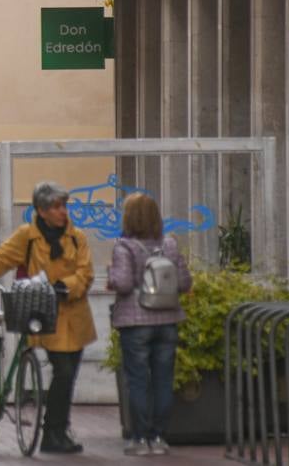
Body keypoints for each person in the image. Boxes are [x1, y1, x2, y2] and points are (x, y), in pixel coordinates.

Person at [0, 181, 96, 455]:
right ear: (41, 211)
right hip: (42, 315)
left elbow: (86, 272)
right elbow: (1, 257)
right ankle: (52, 433)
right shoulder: (27, 237)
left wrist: (66, 285)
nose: (62, 212)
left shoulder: (76, 237)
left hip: (73, 316)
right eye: (56, 207)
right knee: (63, 371)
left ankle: (57, 428)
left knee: (68, 375)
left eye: (64, 206)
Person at [108, 193, 193, 457]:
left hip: (135, 322)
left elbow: (122, 283)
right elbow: (184, 282)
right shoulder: (170, 245)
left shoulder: (124, 247)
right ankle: (159, 437)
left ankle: (140, 438)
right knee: (163, 380)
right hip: (167, 320)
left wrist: (111, 276)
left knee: (138, 381)